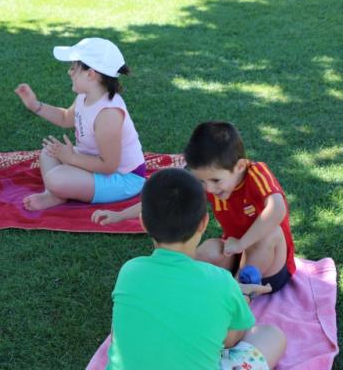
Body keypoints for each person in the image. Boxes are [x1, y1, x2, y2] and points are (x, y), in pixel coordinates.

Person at [107, 168, 286, 370]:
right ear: (204, 223)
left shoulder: (129, 272)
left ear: (143, 223)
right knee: (272, 335)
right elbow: (230, 340)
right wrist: (244, 297)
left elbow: (120, 333)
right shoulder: (221, 282)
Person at [14, 38, 146, 211]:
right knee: (49, 153)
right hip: (95, 164)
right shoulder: (85, 97)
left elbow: (109, 166)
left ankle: (56, 191)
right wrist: (35, 106)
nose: (70, 72)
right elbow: (65, 118)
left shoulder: (108, 115)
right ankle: (54, 194)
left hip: (123, 178)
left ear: (90, 74)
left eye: (73, 68)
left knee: (56, 178)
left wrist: (71, 158)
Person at [183, 121, 295, 292]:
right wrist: (129, 213)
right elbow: (175, 199)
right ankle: (189, 285)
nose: (209, 189)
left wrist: (242, 243)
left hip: (270, 267)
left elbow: (278, 210)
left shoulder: (256, 173)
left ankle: (238, 293)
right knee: (206, 251)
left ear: (240, 166)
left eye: (215, 180)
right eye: (202, 181)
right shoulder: (212, 185)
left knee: (271, 232)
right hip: (235, 253)